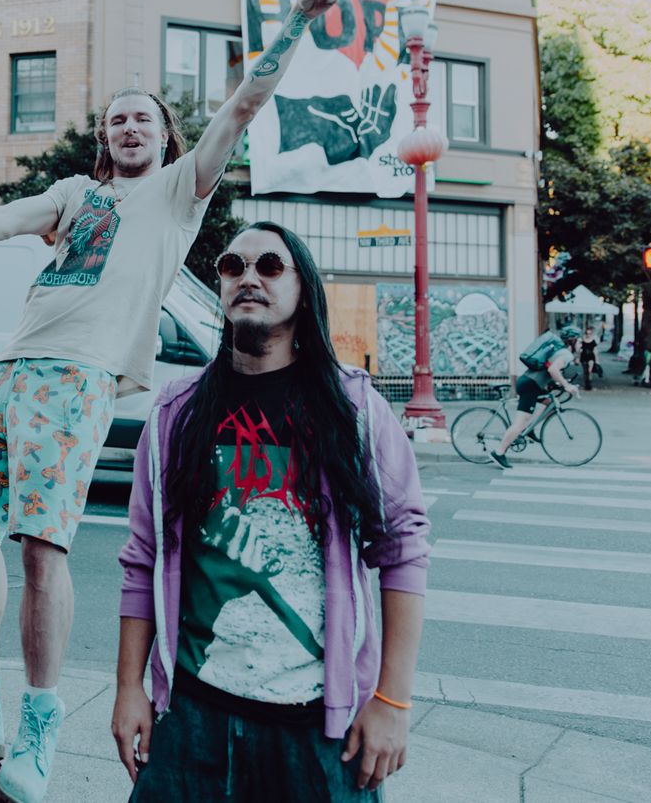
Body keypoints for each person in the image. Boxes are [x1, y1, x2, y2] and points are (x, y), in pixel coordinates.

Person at [0, 0, 343, 803]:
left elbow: (244, 104)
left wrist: (295, 22)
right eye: (116, 120)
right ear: (104, 138)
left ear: (165, 137)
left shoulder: (178, 191)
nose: (129, 127)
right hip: (8, 372)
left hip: (77, 376)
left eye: (143, 118)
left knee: (42, 546)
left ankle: (42, 717)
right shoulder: (72, 194)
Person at [112, 223, 429, 800]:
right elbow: (143, 558)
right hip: (190, 719)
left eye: (270, 266)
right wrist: (129, 687)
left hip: (319, 730)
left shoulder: (353, 408)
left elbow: (403, 548)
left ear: (304, 290)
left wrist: (392, 700)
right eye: (232, 266)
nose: (248, 277)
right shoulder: (176, 413)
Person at [492, 324, 582, 469]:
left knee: (549, 402)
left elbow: (548, 370)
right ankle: (499, 452)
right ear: (573, 340)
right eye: (579, 340)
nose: (581, 344)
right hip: (530, 386)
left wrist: (560, 383)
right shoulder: (566, 354)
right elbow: (553, 370)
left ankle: (530, 429)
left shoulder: (558, 351)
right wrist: (566, 385)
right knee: (520, 423)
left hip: (531, 383)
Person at [578, 325, 600, 390]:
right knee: (585, 371)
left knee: (590, 370)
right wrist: (578, 358)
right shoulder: (582, 341)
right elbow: (579, 350)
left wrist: (597, 360)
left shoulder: (593, 341)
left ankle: (589, 384)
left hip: (591, 357)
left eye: (590, 333)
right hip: (584, 356)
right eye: (587, 333)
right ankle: (586, 384)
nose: (588, 335)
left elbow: (595, 350)